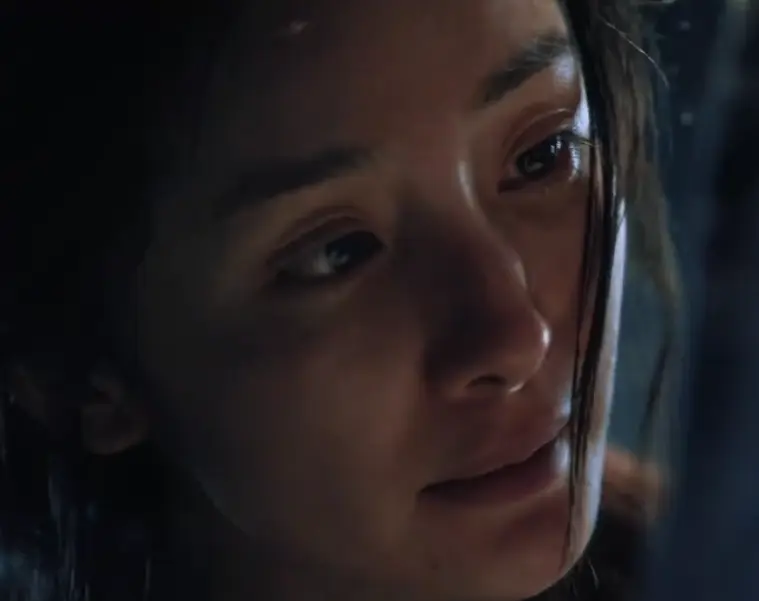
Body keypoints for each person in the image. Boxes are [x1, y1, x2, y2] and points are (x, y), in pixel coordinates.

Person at [0, 1, 674, 600]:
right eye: (338, 252)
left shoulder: (691, 556)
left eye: (543, 155)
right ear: (80, 376)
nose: (516, 337)